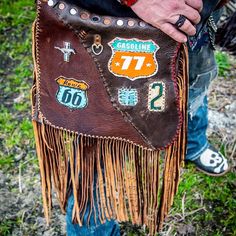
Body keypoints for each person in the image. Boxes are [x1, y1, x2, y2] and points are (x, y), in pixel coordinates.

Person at [65, 0, 230, 235]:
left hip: (194, 18)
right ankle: (94, 230)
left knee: (191, 83)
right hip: (113, 19)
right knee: (99, 140)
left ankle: (192, 144)